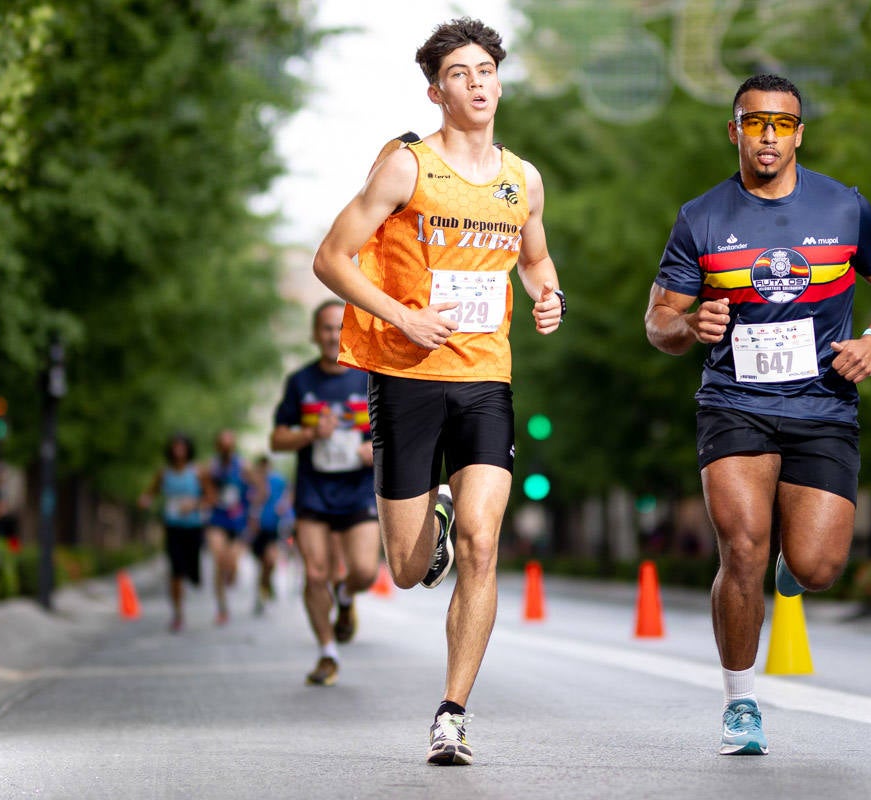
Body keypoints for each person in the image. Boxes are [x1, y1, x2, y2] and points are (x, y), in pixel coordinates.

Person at [311, 17, 565, 766]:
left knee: (485, 543)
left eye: (486, 68)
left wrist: (548, 297)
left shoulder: (525, 178)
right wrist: (403, 316)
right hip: (405, 377)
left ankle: (452, 712)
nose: (478, 81)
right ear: (436, 90)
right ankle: (435, 520)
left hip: (485, 378)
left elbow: (537, 262)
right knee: (404, 567)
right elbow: (332, 259)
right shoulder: (406, 168)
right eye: (460, 72)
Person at [644, 74, 871, 756]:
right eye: (754, 122)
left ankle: (798, 560)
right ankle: (741, 705)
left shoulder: (844, 206)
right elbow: (658, 322)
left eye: (782, 124)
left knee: (818, 567)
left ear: (799, 133)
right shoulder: (701, 217)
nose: (768, 136)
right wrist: (690, 325)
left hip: (823, 403)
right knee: (741, 549)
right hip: (735, 402)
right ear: (734, 130)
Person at [270, 299, 381, 686]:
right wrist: (308, 433)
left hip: (358, 490)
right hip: (314, 492)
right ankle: (327, 653)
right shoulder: (301, 382)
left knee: (365, 572)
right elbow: (277, 439)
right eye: (326, 328)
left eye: (339, 327)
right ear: (315, 334)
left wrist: (376, 450)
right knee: (315, 574)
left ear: (349, 330)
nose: (333, 335)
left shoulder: (369, 377)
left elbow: (398, 433)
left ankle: (346, 597)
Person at [138, 433, 212, 632]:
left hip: (194, 527)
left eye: (182, 447)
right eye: (175, 447)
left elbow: (211, 497)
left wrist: (194, 504)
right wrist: (145, 500)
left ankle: (193, 577)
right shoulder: (164, 474)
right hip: (173, 527)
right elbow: (150, 493)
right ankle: (178, 614)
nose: (178, 451)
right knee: (176, 571)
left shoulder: (198, 472)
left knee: (192, 572)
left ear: (188, 449)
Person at [206, 428, 253, 625]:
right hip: (217, 518)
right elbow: (206, 491)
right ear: (218, 446)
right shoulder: (211, 466)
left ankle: (232, 572)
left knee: (230, 563)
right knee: (218, 560)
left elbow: (258, 489)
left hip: (238, 521)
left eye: (229, 443)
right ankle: (222, 607)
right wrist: (210, 497)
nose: (225, 447)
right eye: (222, 443)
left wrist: (253, 510)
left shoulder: (243, 466)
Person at [249, 454, 291, 614]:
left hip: (273, 527)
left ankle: (264, 589)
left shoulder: (277, 481)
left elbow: (289, 492)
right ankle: (262, 590)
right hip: (257, 529)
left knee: (271, 560)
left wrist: (284, 505)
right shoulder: (252, 483)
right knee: (262, 564)